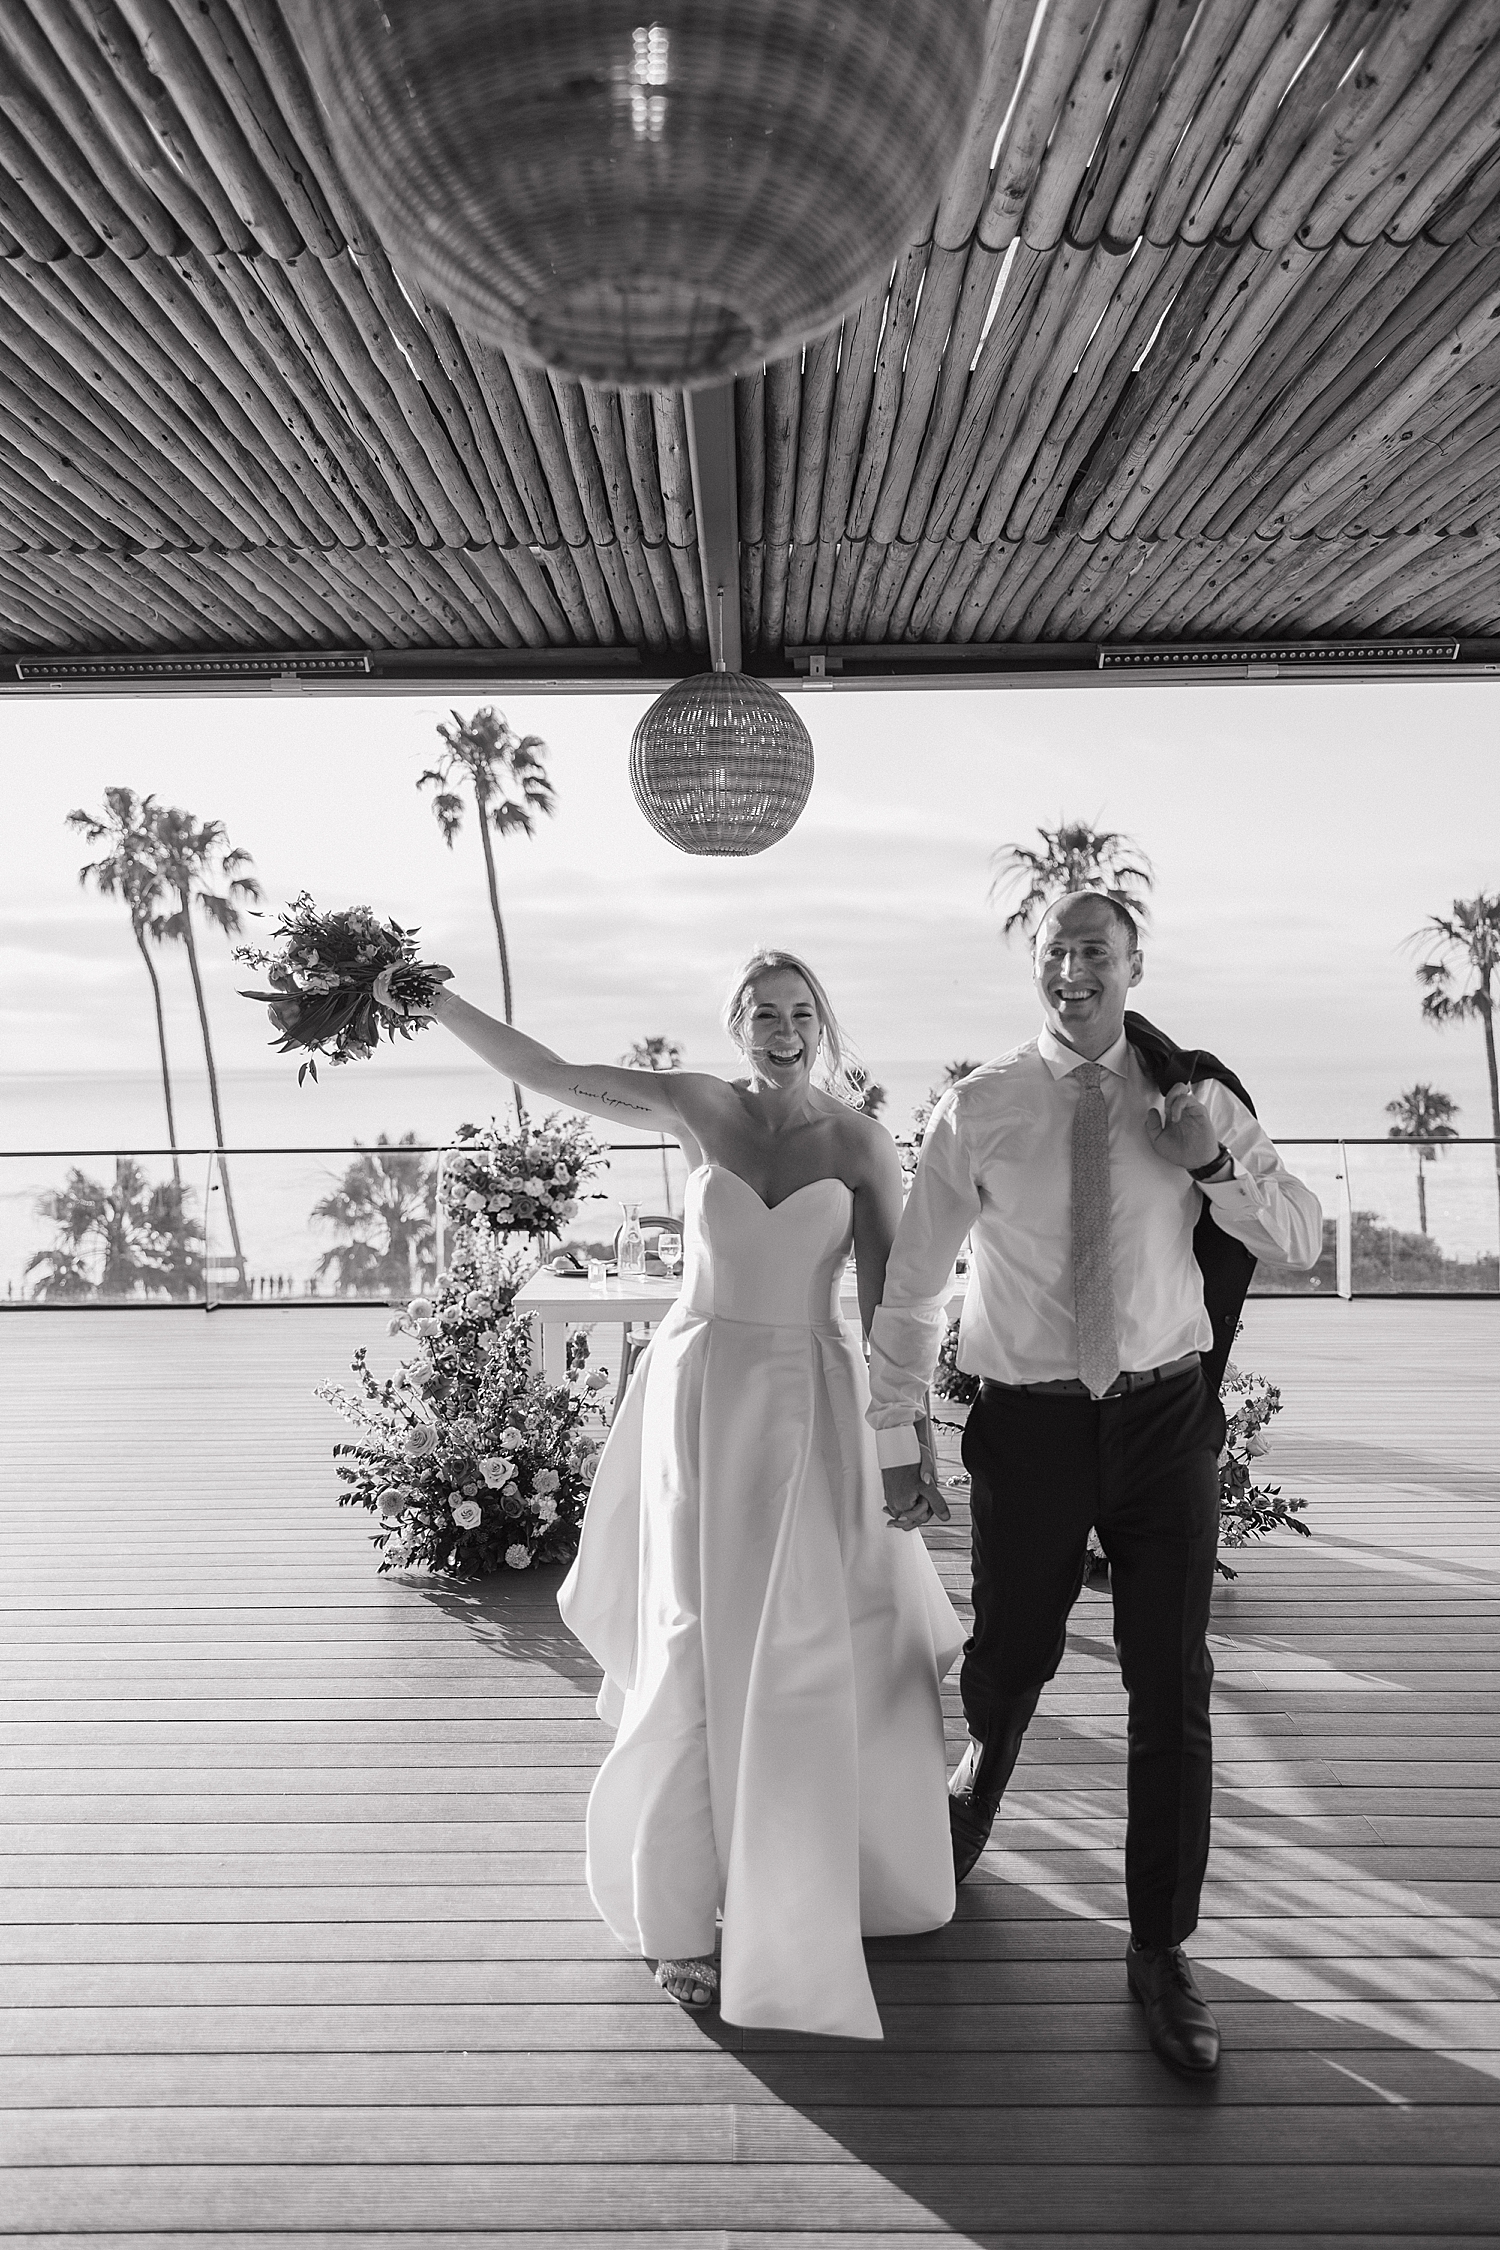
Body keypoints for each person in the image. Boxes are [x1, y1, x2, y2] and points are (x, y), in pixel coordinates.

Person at [409, 949, 961, 2039]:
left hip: (811, 1401)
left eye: (803, 1011)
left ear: (825, 1025)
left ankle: (814, 1879)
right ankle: (681, 1913)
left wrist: (912, 1445)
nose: (784, 1028)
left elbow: (901, 1307)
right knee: (694, 1634)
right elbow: (549, 1070)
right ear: (736, 1022)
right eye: (765, 1012)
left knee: (807, 1634)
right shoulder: (695, 1106)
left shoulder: (857, 1144)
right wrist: (431, 1000)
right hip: (697, 1398)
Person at [868, 892, 1322, 2075]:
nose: (1074, 971)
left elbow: (1303, 1240)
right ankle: (992, 1752)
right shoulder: (979, 1107)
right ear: (1037, 967)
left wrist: (1211, 1160)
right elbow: (916, 1287)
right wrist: (893, 1437)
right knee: (1011, 1652)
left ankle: (1160, 1949)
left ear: (1133, 964)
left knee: (1168, 1683)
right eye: (1056, 953)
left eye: (1096, 952)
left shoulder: (1195, 1099)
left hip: (1165, 1420)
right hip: (1028, 1432)